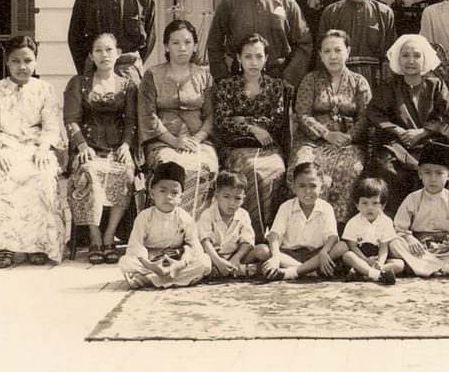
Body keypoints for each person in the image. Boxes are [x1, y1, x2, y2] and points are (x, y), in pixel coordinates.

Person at [0, 36, 67, 268]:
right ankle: (4, 247)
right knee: (3, 175)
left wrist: (43, 148)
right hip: (3, 147)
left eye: (28, 60)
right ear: (7, 63)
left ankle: (38, 245)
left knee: (42, 174)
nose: (22, 66)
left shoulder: (45, 90)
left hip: (35, 146)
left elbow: (51, 126)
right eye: (16, 61)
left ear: (36, 61)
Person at [65, 32, 138, 265]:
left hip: (117, 148)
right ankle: (95, 236)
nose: (104, 54)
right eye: (98, 50)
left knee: (126, 172)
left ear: (117, 54)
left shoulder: (127, 85)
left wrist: (127, 144)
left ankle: (109, 236)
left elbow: (131, 121)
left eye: (109, 50)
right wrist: (81, 145)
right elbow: (71, 119)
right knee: (88, 172)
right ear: (91, 55)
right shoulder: (79, 83)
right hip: (90, 147)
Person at [366, 34, 449, 213]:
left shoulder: (436, 85)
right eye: (405, 55)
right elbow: (375, 113)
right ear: (398, 59)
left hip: (431, 143)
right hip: (397, 145)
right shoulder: (389, 86)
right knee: (385, 169)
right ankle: (394, 221)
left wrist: (422, 132)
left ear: (424, 59)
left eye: (417, 55)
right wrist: (398, 130)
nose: (411, 61)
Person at [138, 19, 219, 218]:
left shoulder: (204, 76)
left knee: (205, 168)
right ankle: (167, 228)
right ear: (166, 46)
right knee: (170, 168)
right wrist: (174, 141)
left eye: (188, 42)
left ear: (195, 45)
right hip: (163, 141)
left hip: (197, 141)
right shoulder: (152, 75)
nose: (182, 48)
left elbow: (211, 115)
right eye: (175, 43)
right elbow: (148, 115)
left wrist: (197, 139)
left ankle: (197, 229)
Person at [212, 33, 288, 242]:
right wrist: (253, 128)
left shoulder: (275, 87)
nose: (253, 62)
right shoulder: (228, 86)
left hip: (268, 148)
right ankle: (249, 234)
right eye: (247, 56)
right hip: (236, 148)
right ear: (238, 58)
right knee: (250, 170)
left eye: (258, 56)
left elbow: (276, 121)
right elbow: (223, 121)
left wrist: (241, 119)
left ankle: (270, 233)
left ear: (265, 58)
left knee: (275, 170)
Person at [291, 29, 372, 222]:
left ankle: (340, 225)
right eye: (327, 51)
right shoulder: (310, 80)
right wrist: (326, 134)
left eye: (338, 50)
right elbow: (302, 114)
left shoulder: (359, 82)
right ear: (320, 54)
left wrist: (348, 136)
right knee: (304, 167)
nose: (333, 56)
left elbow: (365, 116)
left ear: (348, 51)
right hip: (313, 142)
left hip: (347, 143)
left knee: (351, 169)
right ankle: (305, 223)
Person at [388, 142, 449, 278]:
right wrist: (410, 239)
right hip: (418, 248)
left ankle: (416, 266)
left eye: (439, 173)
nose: (433, 178)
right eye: (427, 172)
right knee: (395, 244)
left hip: (444, 250)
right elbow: (398, 229)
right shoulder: (412, 199)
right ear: (420, 174)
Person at [118, 162, 212, 289]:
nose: (168, 197)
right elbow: (136, 245)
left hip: (176, 259)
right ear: (152, 193)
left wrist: (180, 264)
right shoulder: (144, 217)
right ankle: (169, 277)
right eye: (162, 191)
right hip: (151, 260)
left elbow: (194, 246)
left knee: (204, 262)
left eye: (174, 193)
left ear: (181, 198)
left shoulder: (185, 218)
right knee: (125, 262)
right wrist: (150, 264)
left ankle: (149, 280)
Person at [317, 0, 397, 91]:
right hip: (338, 82)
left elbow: (390, 57)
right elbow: (322, 56)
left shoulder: (384, 13)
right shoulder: (331, 12)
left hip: (375, 84)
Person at [261, 162, 343, 281]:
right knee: (262, 250)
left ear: (322, 188)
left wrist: (324, 252)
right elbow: (274, 234)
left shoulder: (326, 208)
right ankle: (309, 271)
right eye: (302, 186)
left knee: (342, 247)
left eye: (313, 186)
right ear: (294, 188)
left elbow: (333, 237)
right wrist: (275, 256)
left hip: (316, 255)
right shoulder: (286, 207)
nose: (308, 191)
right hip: (289, 255)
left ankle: (292, 272)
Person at [336, 177, 403, 285]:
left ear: (383, 205)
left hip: (377, 258)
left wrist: (380, 263)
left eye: (375, 203)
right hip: (360, 257)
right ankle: (376, 275)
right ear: (357, 205)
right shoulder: (353, 223)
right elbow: (353, 246)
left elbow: (384, 246)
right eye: (365, 203)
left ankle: (364, 273)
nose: (370, 207)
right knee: (347, 256)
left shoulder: (386, 221)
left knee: (400, 264)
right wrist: (366, 261)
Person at [197, 171, 260, 278]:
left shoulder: (243, 214)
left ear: (243, 198)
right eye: (226, 196)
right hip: (213, 257)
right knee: (200, 261)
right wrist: (218, 261)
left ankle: (232, 269)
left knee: (263, 251)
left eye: (237, 198)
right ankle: (238, 270)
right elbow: (204, 241)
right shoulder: (208, 214)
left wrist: (236, 259)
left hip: (235, 255)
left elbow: (247, 240)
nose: (232, 203)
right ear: (217, 194)